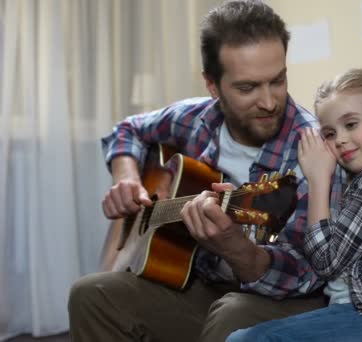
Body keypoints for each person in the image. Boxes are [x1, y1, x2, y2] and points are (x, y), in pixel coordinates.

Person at [67, 1, 346, 341]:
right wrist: (126, 178)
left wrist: (234, 246)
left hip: (287, 301)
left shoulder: (314, 150)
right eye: (247, 88)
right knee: (91, 294)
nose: (270, 102)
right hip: (204, 285)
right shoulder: (195, 118)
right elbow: (127, 130)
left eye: (277, 80)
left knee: (233, 313)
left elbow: (305, 274)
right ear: (212, 86)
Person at [227, 68, 362, 342]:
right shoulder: (358, 180)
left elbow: (326, 262)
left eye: (351, 124)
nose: (339, 139)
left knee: (250, 340)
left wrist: (319, 180)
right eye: (329, 133)